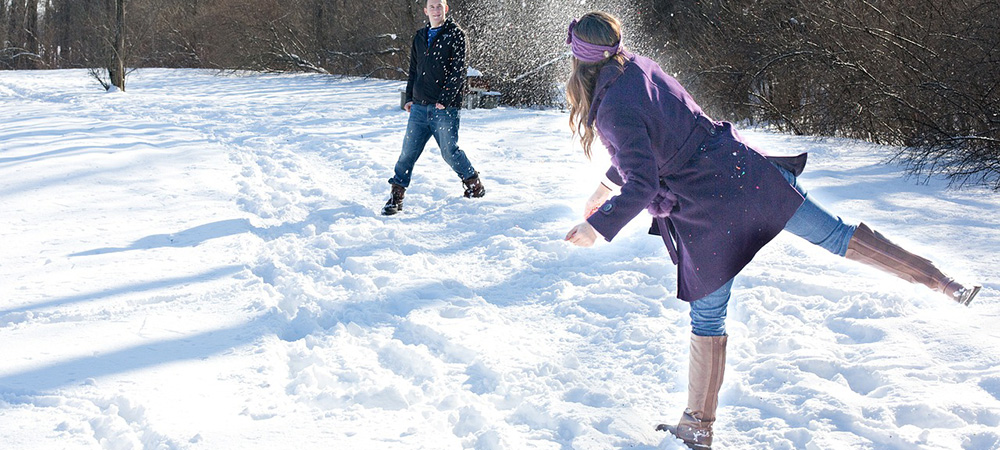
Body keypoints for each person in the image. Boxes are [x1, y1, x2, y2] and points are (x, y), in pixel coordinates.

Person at [561, 11, 981, 450]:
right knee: (838, 236)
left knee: (707, 316)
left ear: (579, 60)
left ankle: (698, 426)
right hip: (746, 172)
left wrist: (597, 227)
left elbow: (643, 179)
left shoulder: (611, 108)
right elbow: (653, 142)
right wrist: (604, 188)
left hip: (707, 207)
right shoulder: (640, 67)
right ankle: (943, 282)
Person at [381, 0, 485, 216]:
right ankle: (396, 195)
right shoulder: (420, 37)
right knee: (407, 154)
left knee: (449, 152)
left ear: (445, 9)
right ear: (425, 10)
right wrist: (409, 97)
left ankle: (473, 184)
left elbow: (459, 69)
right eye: (432, 7)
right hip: (419, 108)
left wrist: (445, 99)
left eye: (440, 6)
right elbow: (413, 70)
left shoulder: (456, 35)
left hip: (444, 108)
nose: (436, 10)